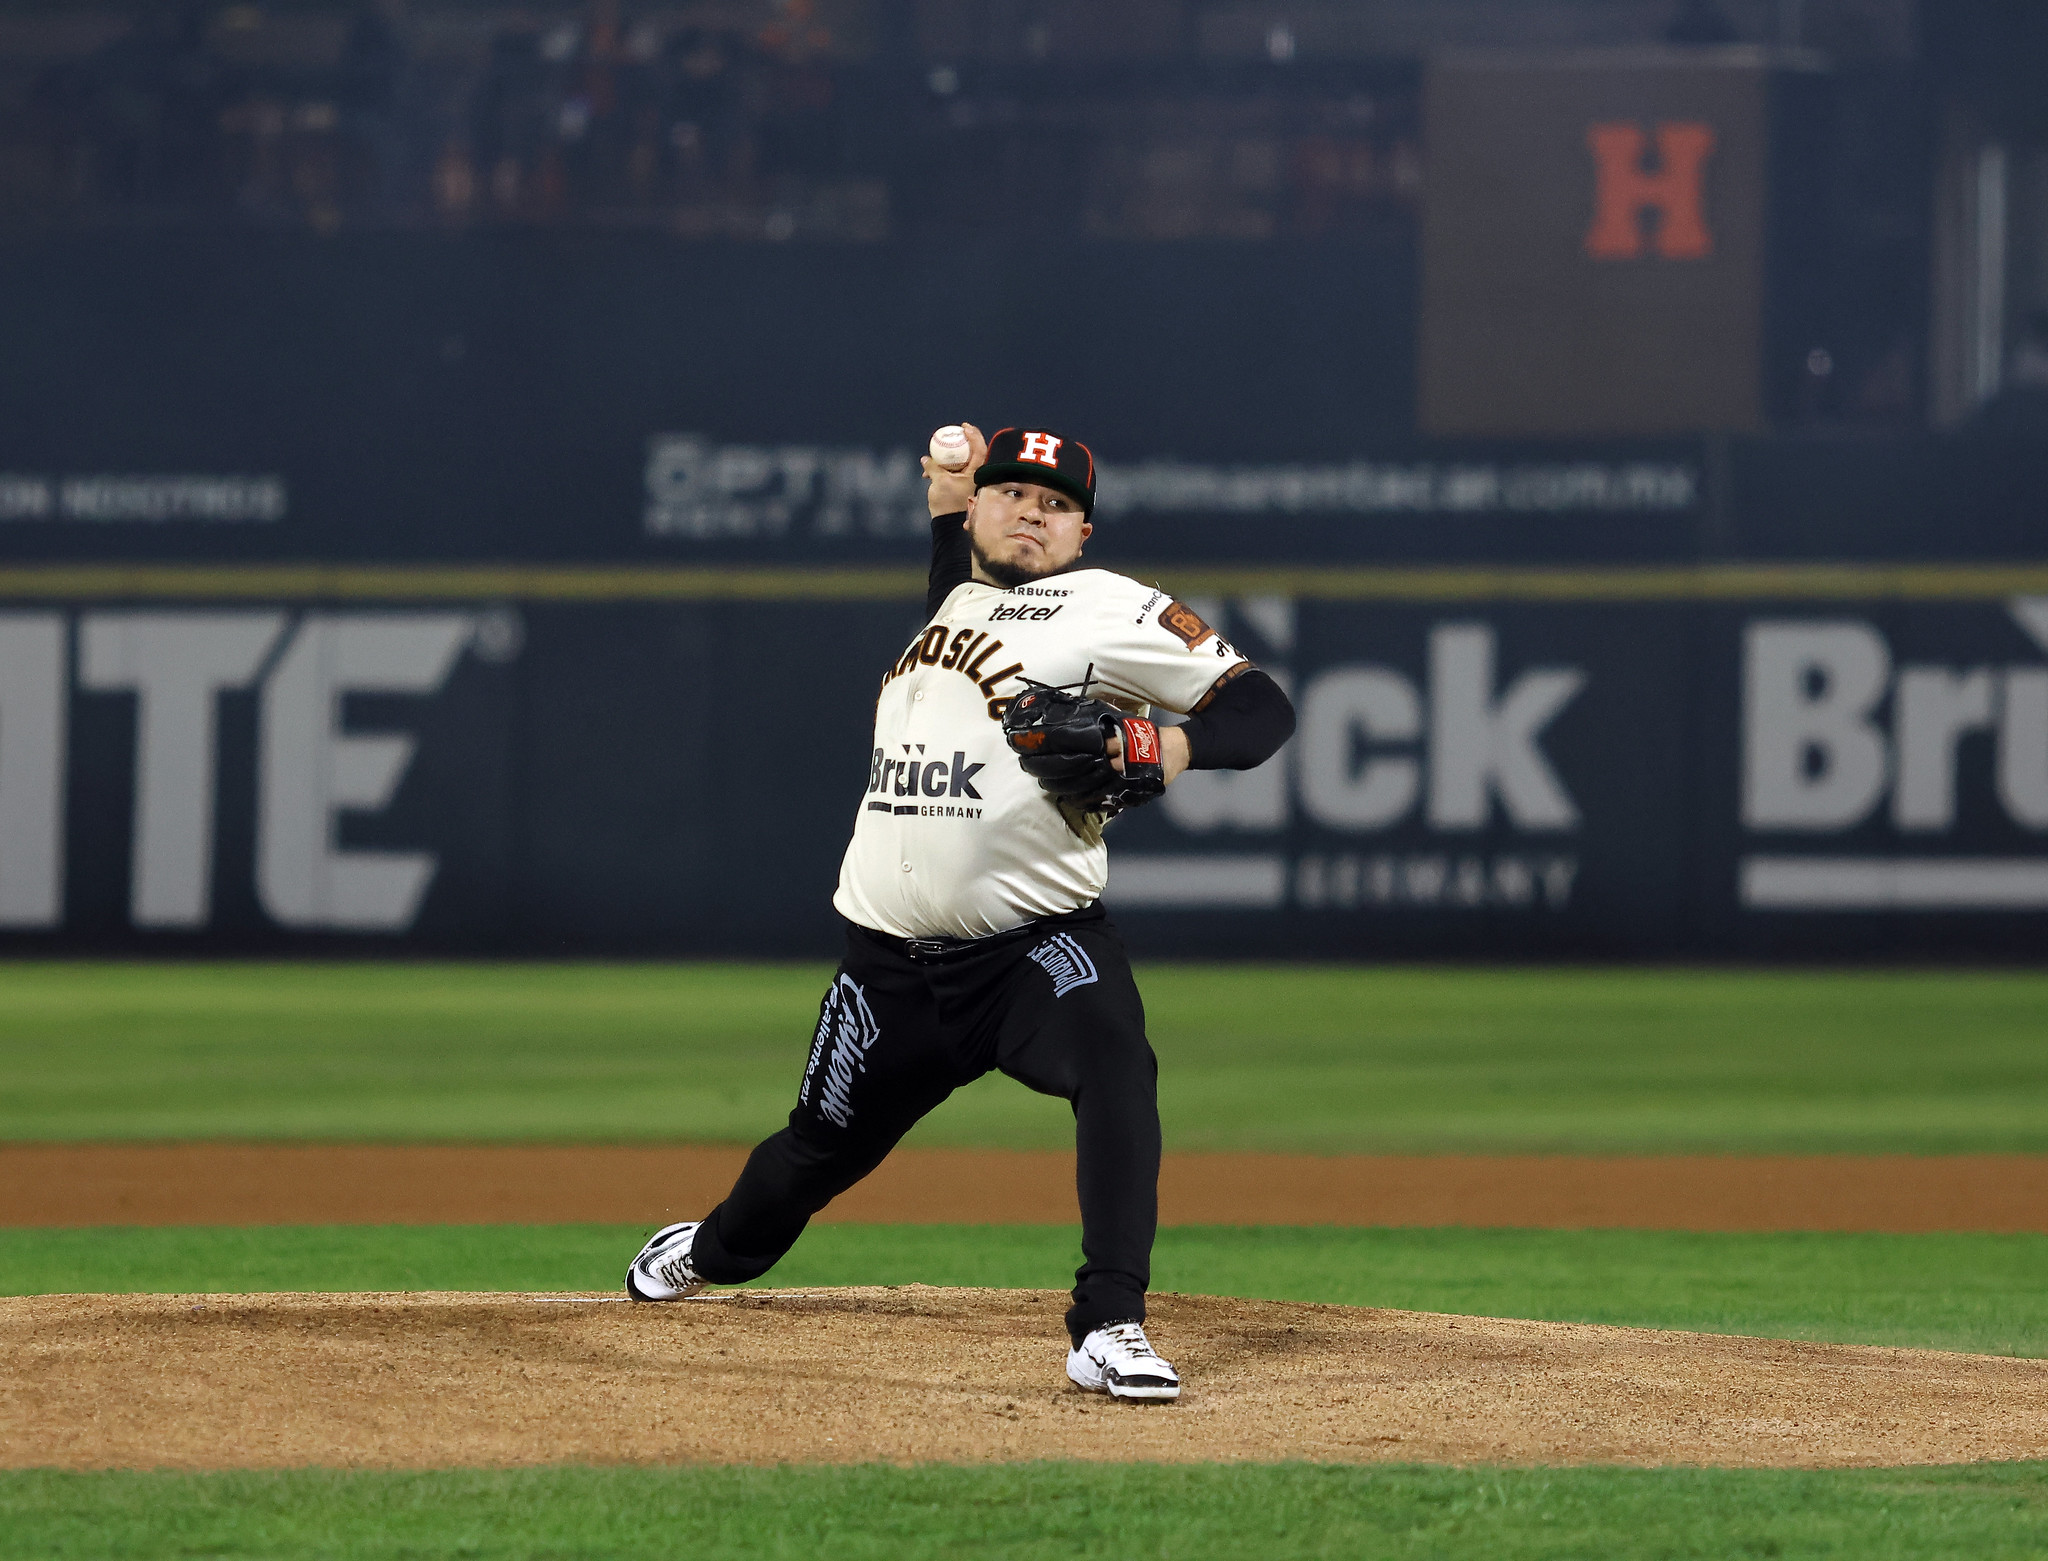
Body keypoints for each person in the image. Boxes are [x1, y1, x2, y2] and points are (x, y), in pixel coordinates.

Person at [623, 423, 1297, 1402]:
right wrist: (943, 496)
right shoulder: (956, 602)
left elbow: (1261, 708)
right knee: (806, 1159)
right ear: (978, 509)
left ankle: (1108, 1322)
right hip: (887, 969)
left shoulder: (1108, 606)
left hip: (1032, 951)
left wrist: (1162, 749)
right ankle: (706, 1249)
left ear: (1081, 534)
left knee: (1116, 1063)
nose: (1031, 509)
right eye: (1013, 492)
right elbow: (949, 565)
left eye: (1056, 504)